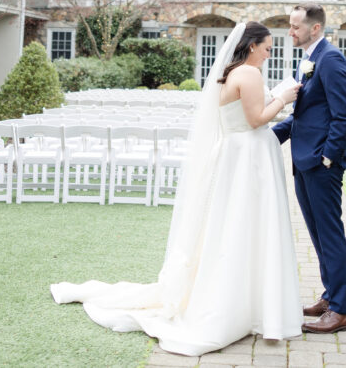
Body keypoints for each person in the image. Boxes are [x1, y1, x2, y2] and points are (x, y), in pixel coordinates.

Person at [51, 22, 303, 356]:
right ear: (252, 45)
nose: (270, 54)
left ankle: (238, 300)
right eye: (268, 47)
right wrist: (283, 98)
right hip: (248, 160)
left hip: (233, 157)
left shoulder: (229, 75)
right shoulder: (250, 74)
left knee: (230, 230)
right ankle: (252, 305)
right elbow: (257, 119)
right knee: (249, 229)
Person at [272, 3, 346, 334]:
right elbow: (305, 113)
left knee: (330, 233)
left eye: (295, 27)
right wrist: (268, 135)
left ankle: (341, 310)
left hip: (321, 162)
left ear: (315, 28)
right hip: (302, 157)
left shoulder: (331, 58)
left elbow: (342, 114)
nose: (290, 32)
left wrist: (328, 157)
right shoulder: (309, 58)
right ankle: (329, 296)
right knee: (317, 232)